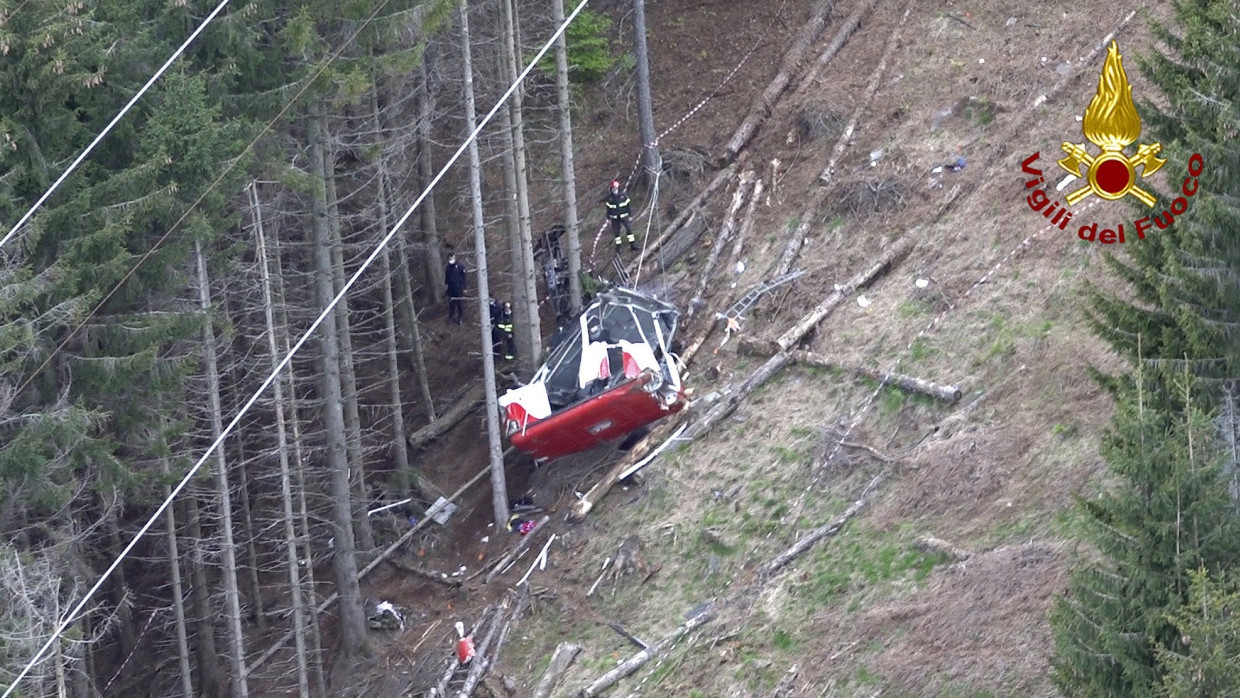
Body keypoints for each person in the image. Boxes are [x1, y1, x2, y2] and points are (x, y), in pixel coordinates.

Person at [606, 179, 637, 252]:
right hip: (614, 218)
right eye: (613, 188)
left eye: (616, 188)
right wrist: (608, 219)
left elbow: (628, 206)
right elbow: (608, 210)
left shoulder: (623, 196)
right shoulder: (610, 199)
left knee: (629, 230)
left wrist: (630, 216)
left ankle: (633, 245)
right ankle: (618, 248)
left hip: (624, 216)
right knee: (616, 234)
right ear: (611, 189)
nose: (615, 190)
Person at [444, 253, 467, 324]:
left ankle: (460, 318)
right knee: (451, 304)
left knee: (460, 304)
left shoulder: (460, 266)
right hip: (451, 289)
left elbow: (464, 277)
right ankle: (451, 317)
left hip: (459, 288)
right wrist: (446, 287)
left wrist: (465, 287)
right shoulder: (448, 267)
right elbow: (447, 278)